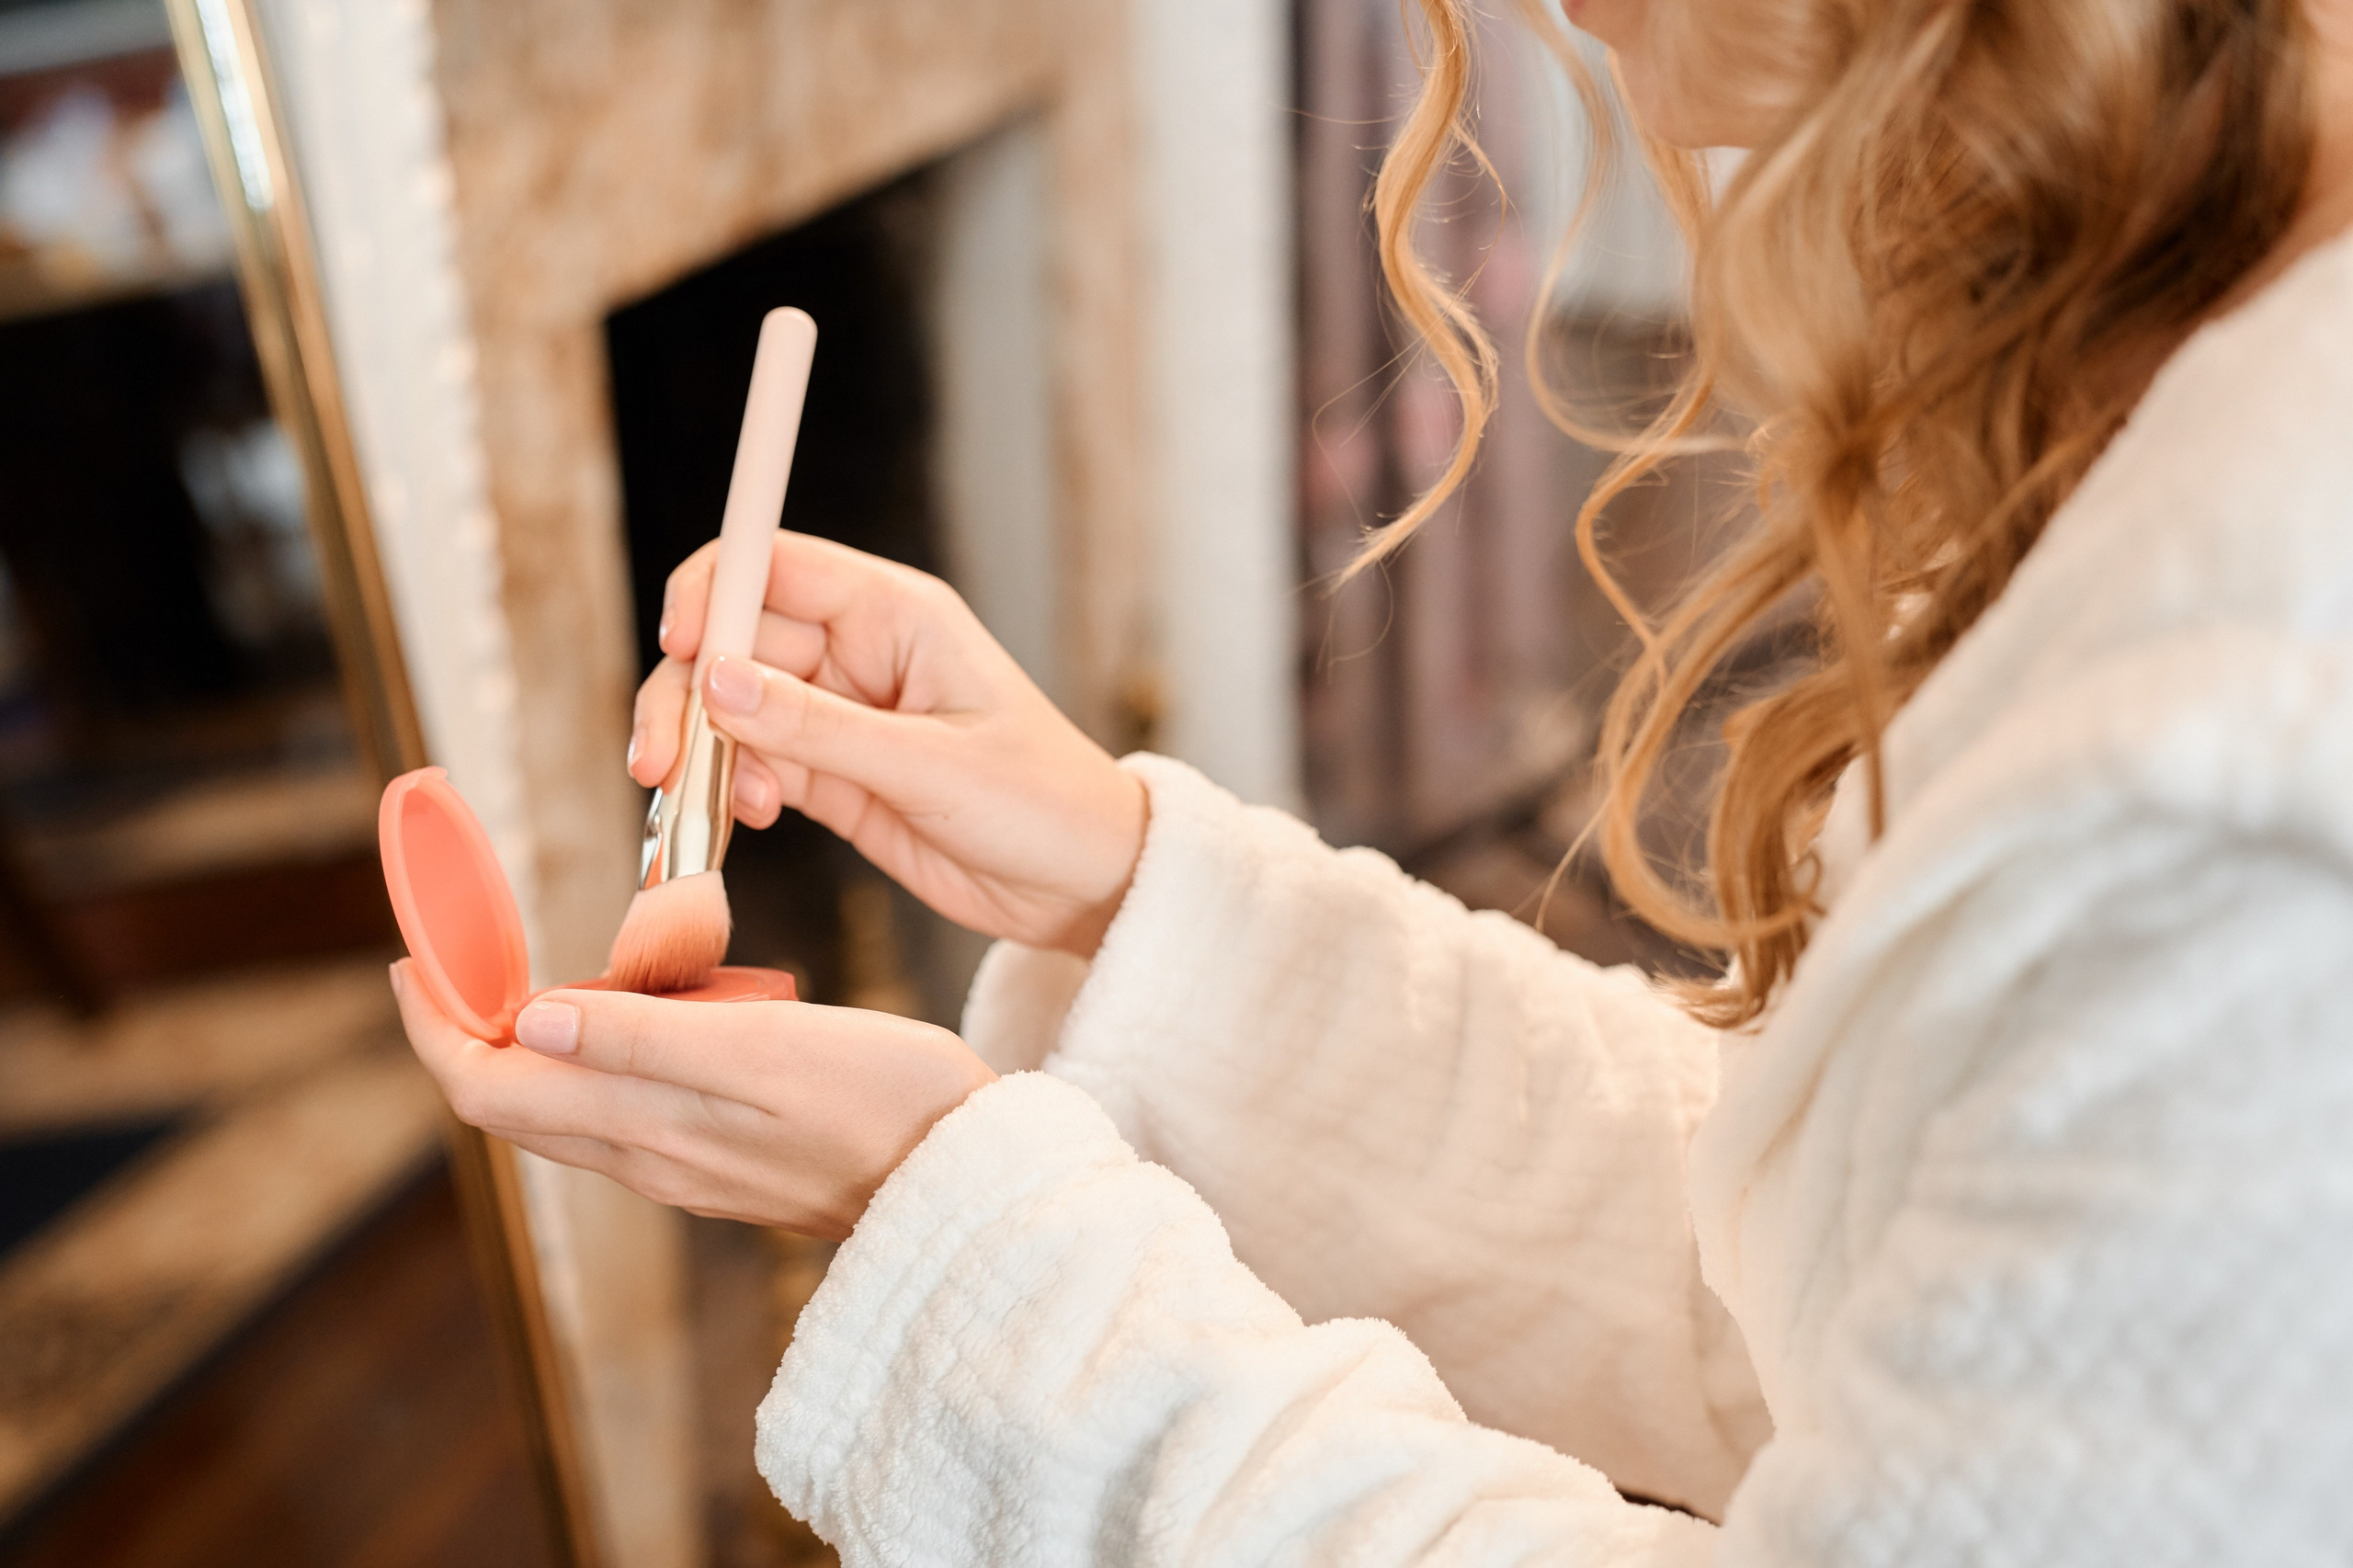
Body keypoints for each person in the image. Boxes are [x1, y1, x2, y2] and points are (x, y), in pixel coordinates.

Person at [394, 0, 2353, 1560]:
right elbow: (1829, 1275)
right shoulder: (2213, 387)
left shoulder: (2266, 734)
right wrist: (1126, 887)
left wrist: (956, 1230)